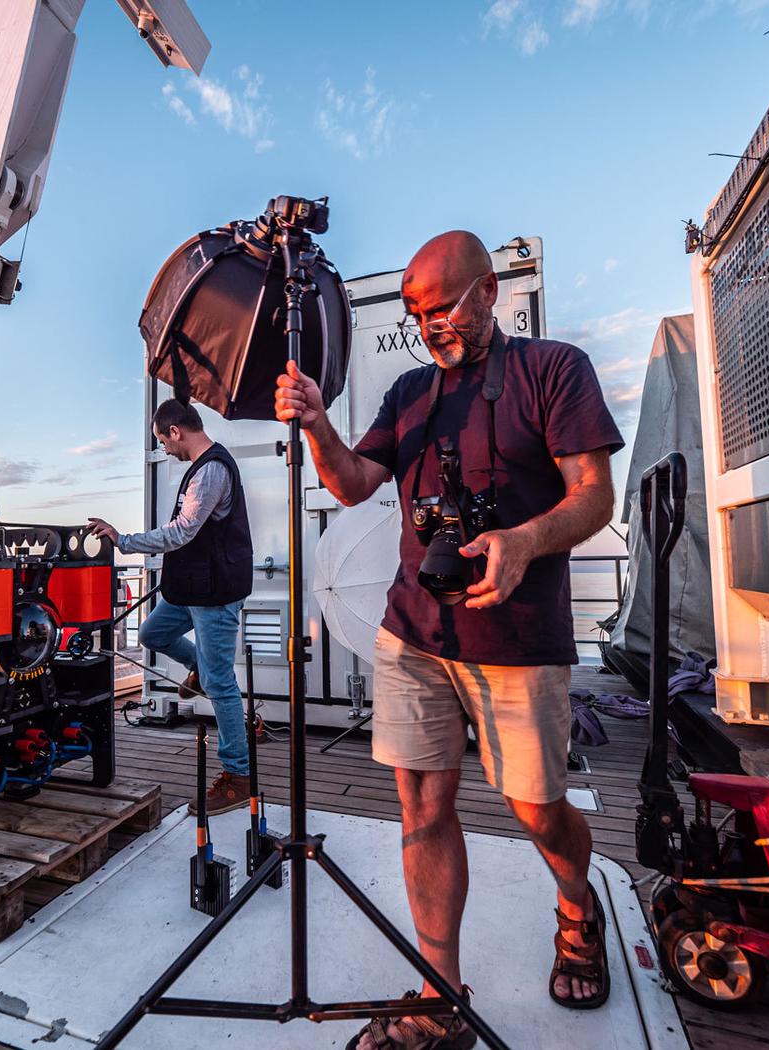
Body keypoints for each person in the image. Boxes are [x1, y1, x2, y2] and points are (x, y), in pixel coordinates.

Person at [275, 231, 624, 1049]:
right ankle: (440, 997)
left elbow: (595, 495)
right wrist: (321, 426)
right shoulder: (408, 392)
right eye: (416, 314)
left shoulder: (554, 370)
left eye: (441, 308)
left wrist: (526, 541)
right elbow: (355, 483)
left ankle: (577, 907)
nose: (430, 326)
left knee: (537, 809)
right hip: (415, 632)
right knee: (422, 805)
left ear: (488, 291)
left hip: (520, 639)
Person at [88, 398, 254, 815]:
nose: (164, 449)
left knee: (221, 685)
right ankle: (198, 667)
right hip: (191, 589)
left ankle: (238, 776)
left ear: (176, 431)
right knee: (152, 633)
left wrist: (124, 541)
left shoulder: (212, 469)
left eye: (163, 441)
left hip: (214, 595)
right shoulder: (201, 469)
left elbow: (181, 533)